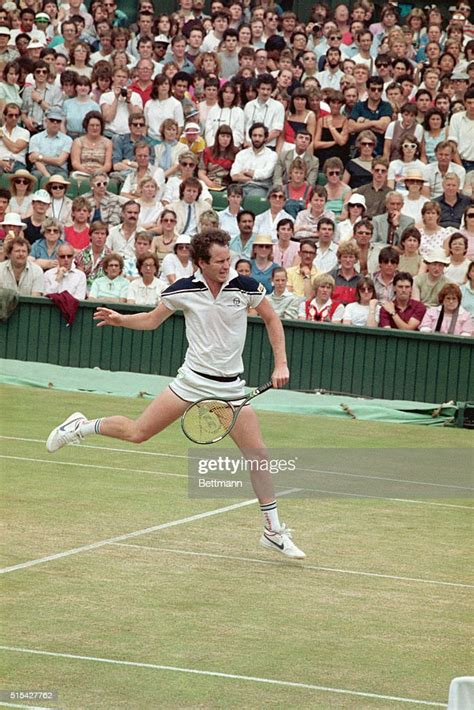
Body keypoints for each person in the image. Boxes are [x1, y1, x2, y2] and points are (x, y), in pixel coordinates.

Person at [46, 229, 305, 559]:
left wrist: (280, 363)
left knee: (258, 456)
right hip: (191, 382)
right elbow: (153, 321)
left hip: (230, 390)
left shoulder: (247, 286)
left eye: (230, 259)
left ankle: (272, 532)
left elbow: (272, 320)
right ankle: (79, 427)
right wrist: (121, 320)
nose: (229, 265)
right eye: (221, 261)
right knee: (138, 433)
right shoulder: (183, 290)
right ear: (201, 263)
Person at [230, 122, 278, 198]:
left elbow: (265, 174)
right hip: (241, 187)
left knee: (253, 198)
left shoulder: (272, 155)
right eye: (254, 135)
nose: (257, 138)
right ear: (250, 137)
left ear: (265, 138)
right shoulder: (241, 154)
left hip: (261, 188)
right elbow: (234, 175)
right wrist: (252, 178)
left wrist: (245, 172)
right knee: (230, 196)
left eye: (260, 136)